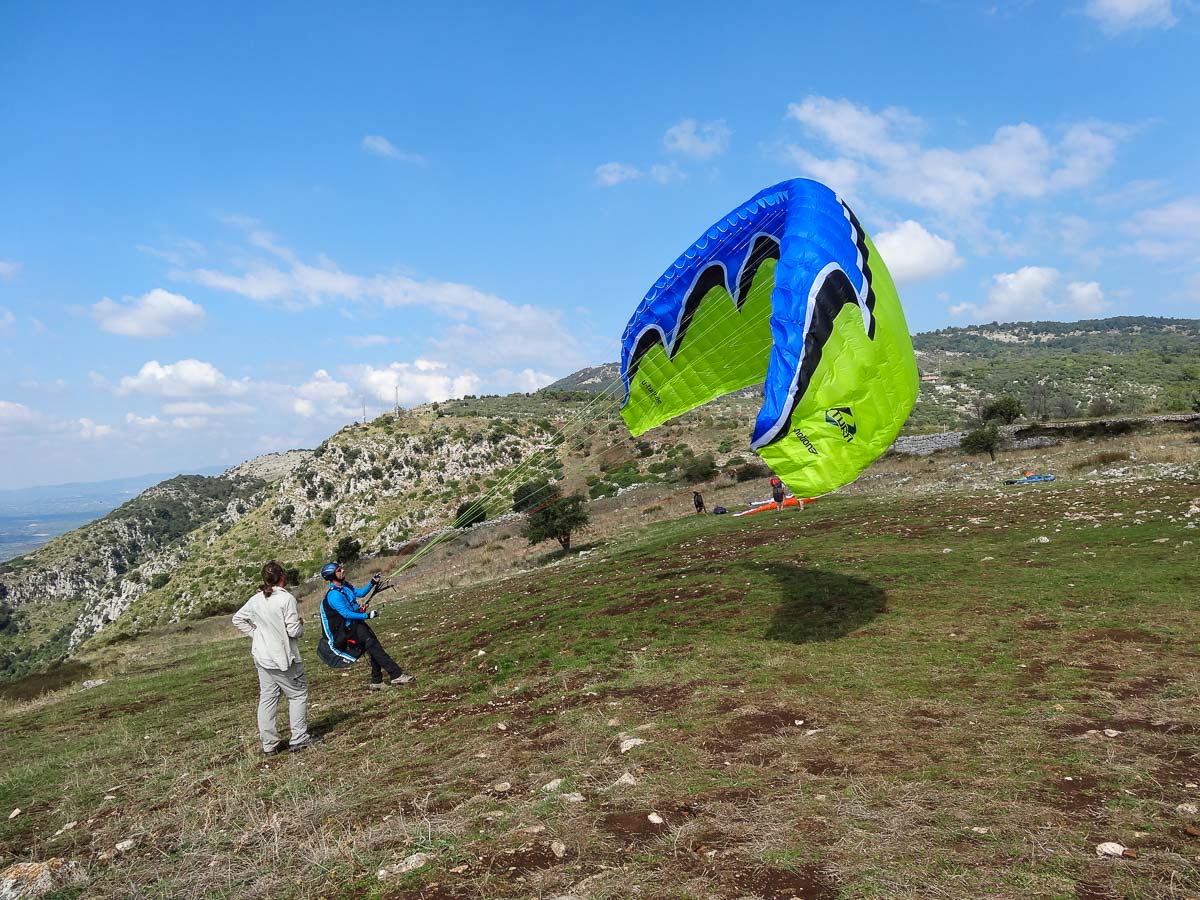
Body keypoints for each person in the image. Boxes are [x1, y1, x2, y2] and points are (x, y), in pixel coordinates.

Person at [232, 561, 315, 754]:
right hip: (282, 657)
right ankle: (299, 737)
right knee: (297, 694)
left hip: (262, 656)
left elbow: (237, 619)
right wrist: (300, 625)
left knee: (268, 697)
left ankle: (269, 744)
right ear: (282, 577)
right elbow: (293, 631)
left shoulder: (256, 599)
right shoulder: (286, 599)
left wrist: (256, 634)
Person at [319, 562, 414, 690]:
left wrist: (372, 583)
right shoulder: (333, 595)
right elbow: (346, 613)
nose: (342, 571)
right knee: (375, 647)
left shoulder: (345, 586)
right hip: (351, 629)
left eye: (341, 569)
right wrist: (367, 615)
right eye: (338, 570)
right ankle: (396, 675)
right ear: (332, 575)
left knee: (374, 648)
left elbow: (361, 593)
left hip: (357, 624)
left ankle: (376, 681)